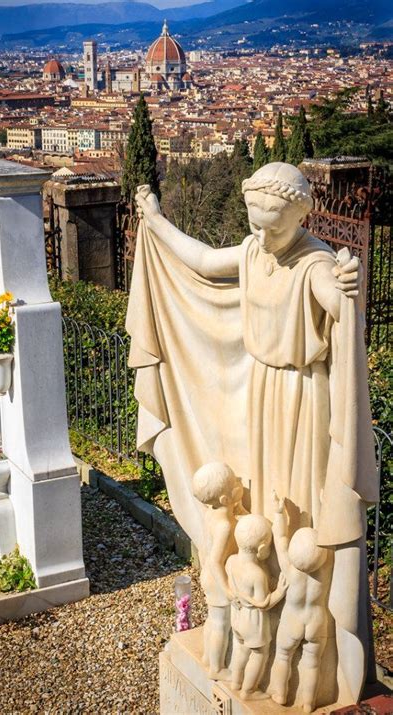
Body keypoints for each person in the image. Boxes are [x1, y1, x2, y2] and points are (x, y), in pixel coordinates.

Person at [129, 162, 377, 704]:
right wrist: (155, 220)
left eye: (275, 226)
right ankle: (259, 623)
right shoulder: (252, 252)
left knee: (299, 502)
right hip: (263, 394)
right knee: (264, 500)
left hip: (303, 402)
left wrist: (347, 290)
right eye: (256, 223)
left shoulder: (313, 264)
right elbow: (198, 258)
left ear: (299, 216)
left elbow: (337, 305)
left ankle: (298, 623)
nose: (264, 235)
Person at [271, 492, 333, 713]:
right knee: (312, 663)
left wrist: (279, 513)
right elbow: (330, 535)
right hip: (316, 620)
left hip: (292, 619)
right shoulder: (325, 566)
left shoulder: (290, 567)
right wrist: (326, 505)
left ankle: (279, 692)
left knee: (282, 656)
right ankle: (308, 703)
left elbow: (280, 539)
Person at [192, 461, 247, 678]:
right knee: (220, 624)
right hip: (217, 579)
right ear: (226, 499)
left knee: (212, 620)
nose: (240, 484)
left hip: (208, 575)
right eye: (236, 484)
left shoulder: (211, 512)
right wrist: (227, 589)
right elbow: (216, 561)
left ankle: (208, 657)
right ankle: (217, 668)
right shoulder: (225, 526)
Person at [225, 514, 287, 700]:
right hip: (253, 621)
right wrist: (280, 592)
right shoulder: (257, 574)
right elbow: (264, 603)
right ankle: (249, 691)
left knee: (241, 649)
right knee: (259, 653)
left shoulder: (231, 561)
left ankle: (236, 682)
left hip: (237, 617)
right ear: (261, 549)